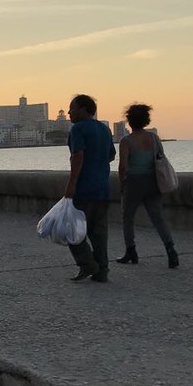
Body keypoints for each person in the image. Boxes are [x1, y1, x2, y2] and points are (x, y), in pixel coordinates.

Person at [117, 104, 178, 268]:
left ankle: (131, 251)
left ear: (129, 121)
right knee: (158, 218)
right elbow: (160, 157)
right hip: (153, 182)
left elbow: (123, 166)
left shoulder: (126, 141)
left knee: (128, 217)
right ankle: (171, 250)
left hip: (133, 183)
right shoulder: (153, 138)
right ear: (146, 120)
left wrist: (122, 183)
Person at [63, 94, 117, 282]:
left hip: (84, 189)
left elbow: (78, 156)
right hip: (102, 189)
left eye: (72, 108)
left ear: (84, 109)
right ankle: (102, 270)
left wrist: (71, 185)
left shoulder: (78, 129)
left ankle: (88, 265)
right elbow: (111, 155)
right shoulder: (104, 129)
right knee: (99, 233)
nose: (69, 112)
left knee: (72, 230)